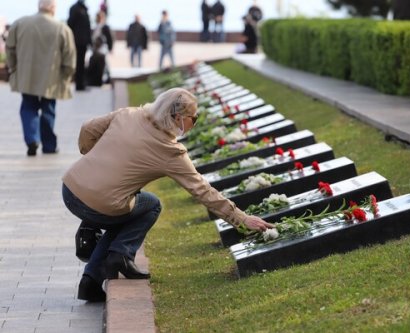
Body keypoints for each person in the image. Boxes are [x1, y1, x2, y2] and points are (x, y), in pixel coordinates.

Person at [62, 88, 274, 302]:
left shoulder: (128, 114)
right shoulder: (170, 151)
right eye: (195, 118)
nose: (195, 122)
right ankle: (119, 256)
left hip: (70, 190)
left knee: (125, 207)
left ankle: (92, 280)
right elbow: (203, 191)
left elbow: (88, 128)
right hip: (101, 205)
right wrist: (243, 220)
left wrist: (92, 156)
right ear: (178, 117)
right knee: (151, 205)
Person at [6, 0, 76, 156]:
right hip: (51, 78)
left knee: (28, 107)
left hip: (27, 75)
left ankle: (32, 139)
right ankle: (49, 145)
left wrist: (14, 67)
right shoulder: (62, 28)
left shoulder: (20, 23)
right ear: (53, 8)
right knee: (48, 109)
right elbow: (69, 56)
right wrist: (66, 75)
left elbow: (10, 48)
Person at [68, 0, 92, 91]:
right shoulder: (75, 9)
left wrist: (89, 41)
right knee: (78, 63)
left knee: (81, 63)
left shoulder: (84, 9)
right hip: (77, 41)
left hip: (83, 41)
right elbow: (70, 23)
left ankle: (81, 83)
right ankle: (79, 84)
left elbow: (87, 27)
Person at [92, 10, 113, 83]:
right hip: (96, 48)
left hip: (103, 47)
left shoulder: (105, 27)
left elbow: (110, 38)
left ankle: (107, 77)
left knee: (105, 63)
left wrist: (110, 48)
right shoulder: (95, 27)